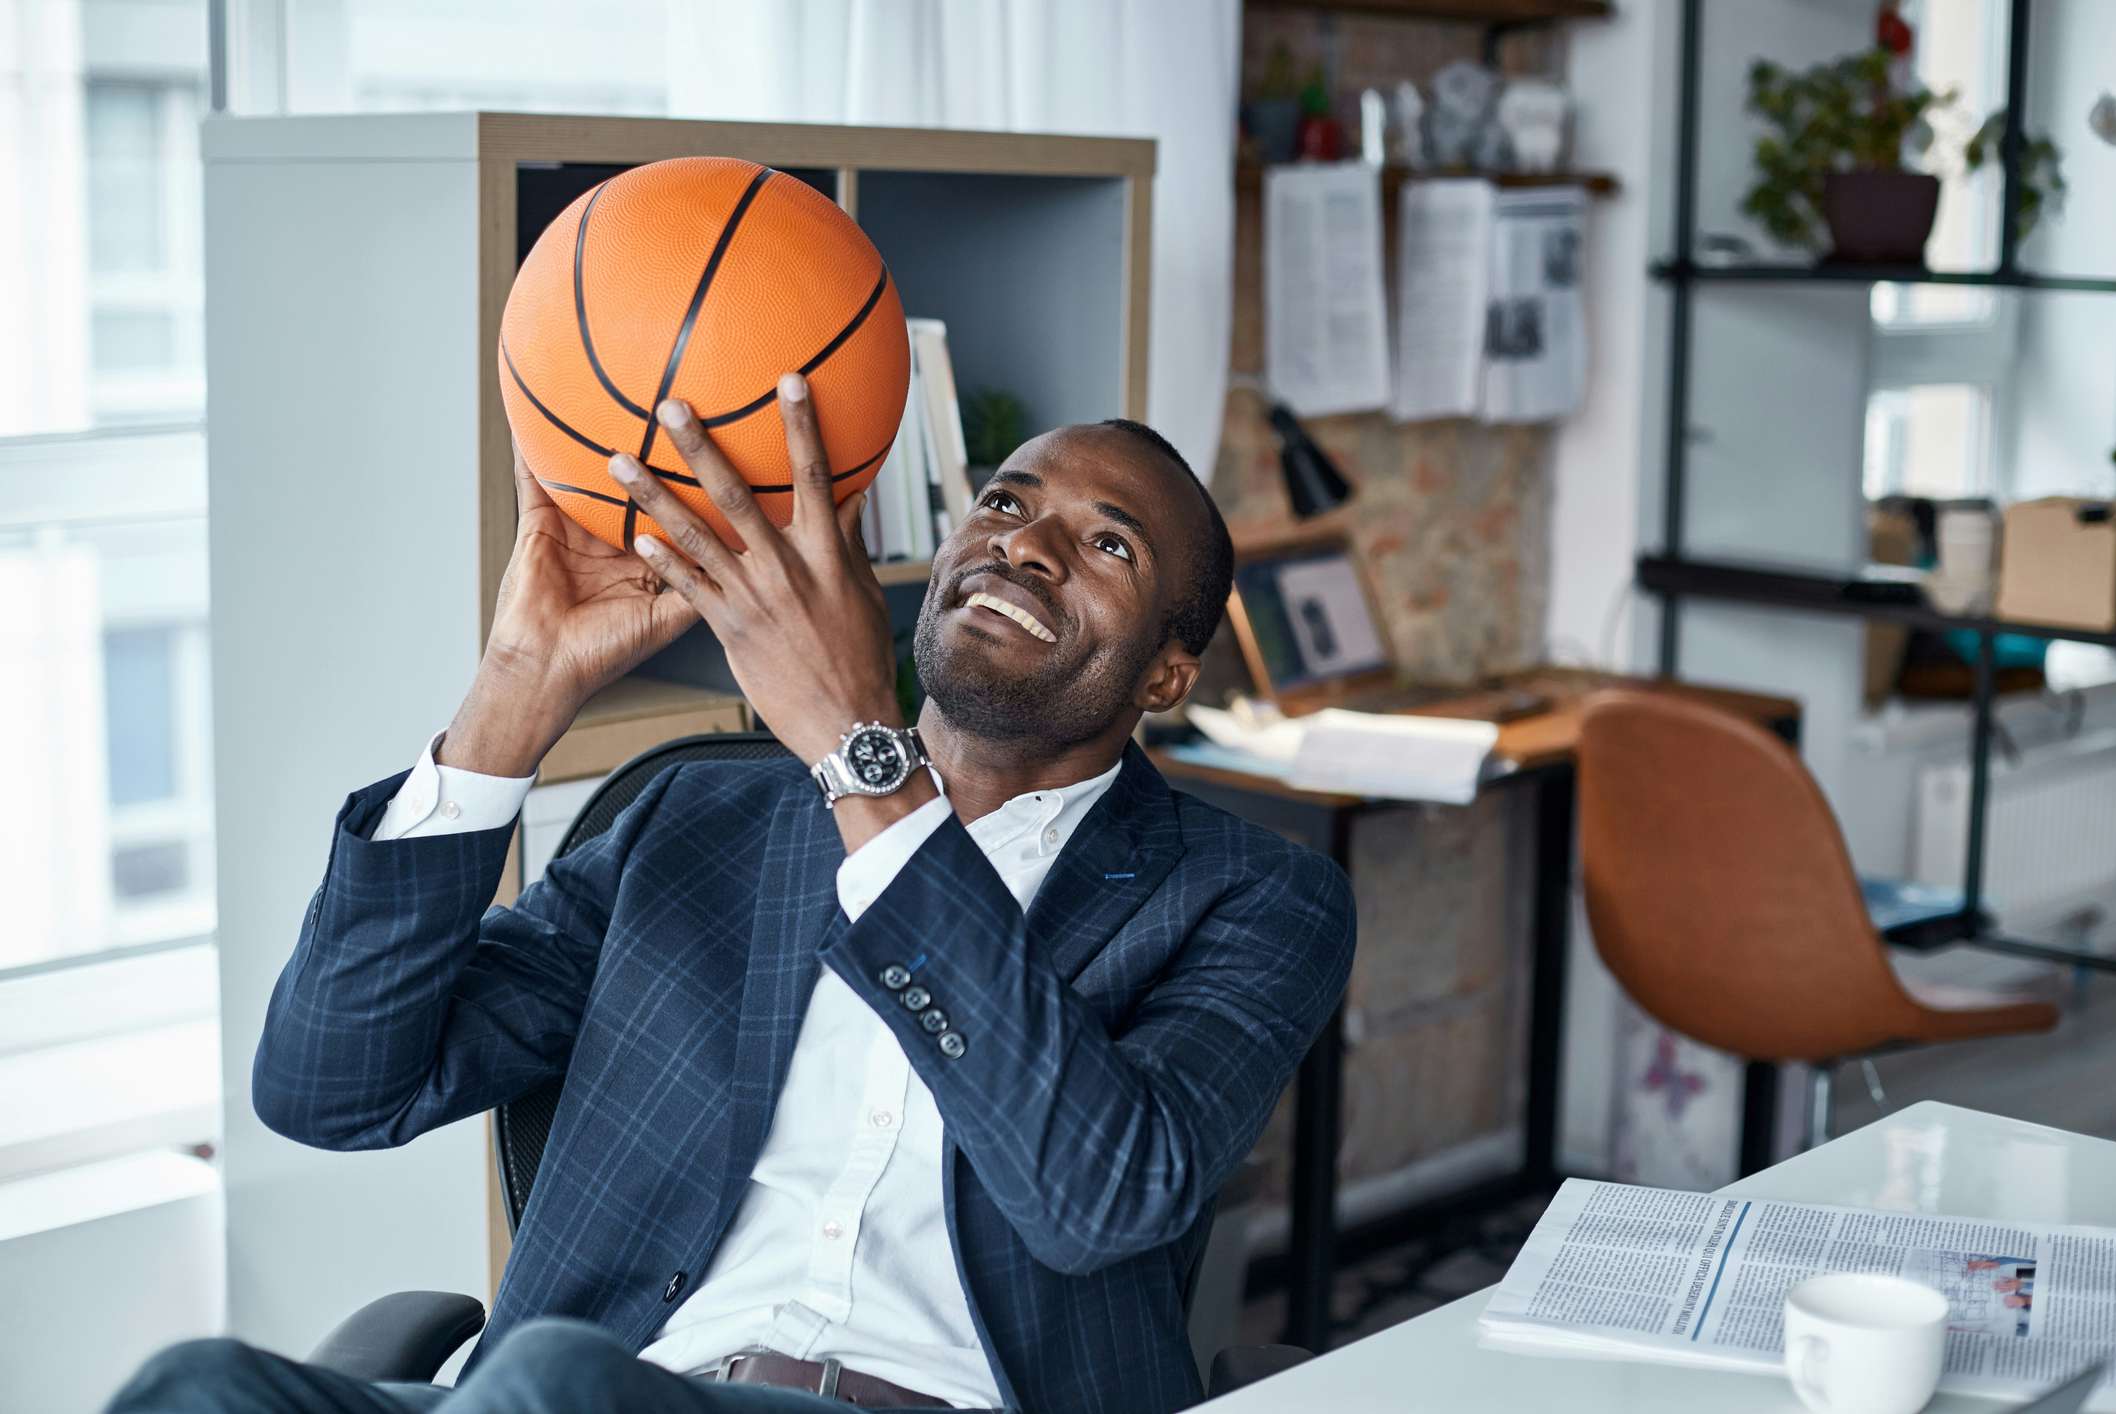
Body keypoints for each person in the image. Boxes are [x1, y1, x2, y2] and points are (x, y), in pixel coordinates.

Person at [110, 375, 1356, 1413]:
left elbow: (1099, 1196)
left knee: (556, 1386)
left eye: (1108, 544)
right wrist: (514, 695)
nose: (1024, 543)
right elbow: (331, 1086)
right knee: (194, 1386)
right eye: (1005, 501)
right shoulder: (695, 820)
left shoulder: (1254, 896)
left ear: (1167, 674)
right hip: (601, 1384)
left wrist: (863, 757)